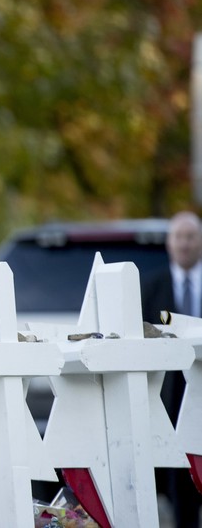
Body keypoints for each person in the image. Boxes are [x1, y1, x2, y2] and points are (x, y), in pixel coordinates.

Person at [141, 210, 202, 528]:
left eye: (191, 237)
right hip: (171, 395)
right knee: (180, 474)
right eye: (179, 237)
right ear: (169, 243)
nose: (185, 244)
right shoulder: (152, 287)